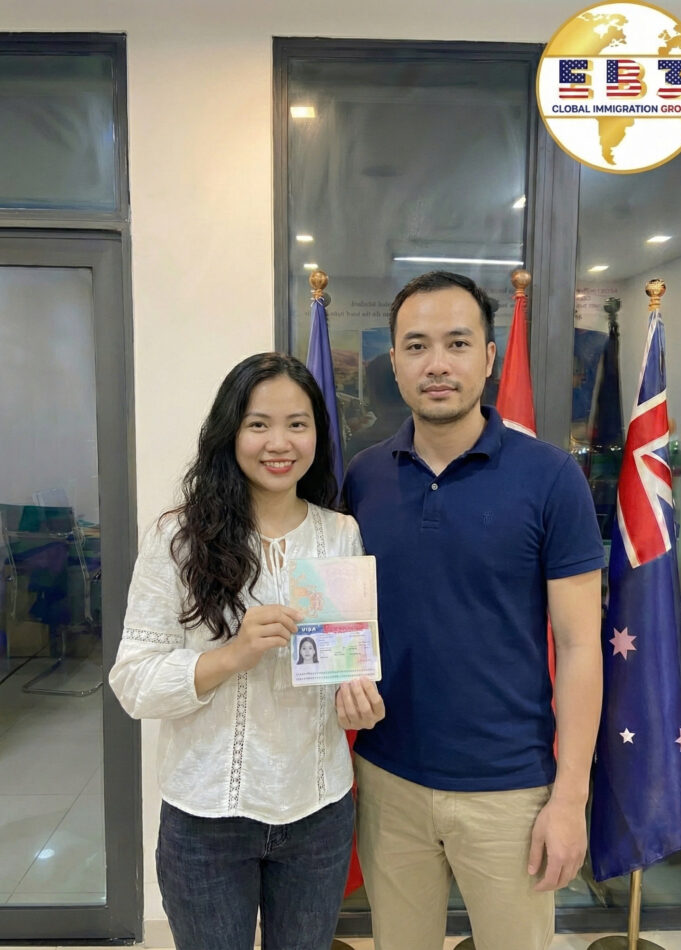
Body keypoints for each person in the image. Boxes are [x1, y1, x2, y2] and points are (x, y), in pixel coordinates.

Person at [340, 272, 605, 950]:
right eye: (417, 346)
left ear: (488, 357)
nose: (437, 363)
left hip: (509, 789)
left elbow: (580, 646)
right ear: (394, 362)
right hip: (388, 778)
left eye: (457, 343)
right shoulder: (363, 478)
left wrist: (569, 797)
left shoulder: (551, 478)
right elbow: (342, 617)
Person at [109, 352, 383, 950]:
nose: (279, 443)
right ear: (229, 432)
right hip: (206, 817)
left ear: (318, 434)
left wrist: (357, 696)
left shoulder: (341, 534)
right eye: (258, 424)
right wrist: (232, 655)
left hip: (318, 810)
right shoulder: (178, 538)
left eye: (297, 424)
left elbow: (343, 663)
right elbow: (133, 682)